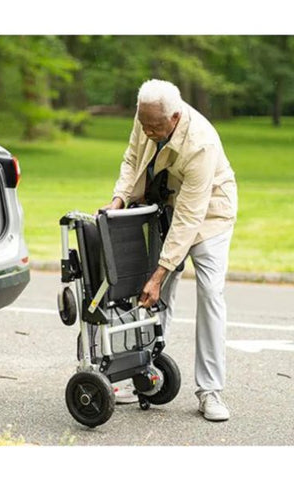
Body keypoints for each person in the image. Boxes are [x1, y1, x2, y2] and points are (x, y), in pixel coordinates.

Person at [103, 79, 238, 421]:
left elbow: (191, 217)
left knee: (209, 292)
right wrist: (119, 198)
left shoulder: (201, 143)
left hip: (210, 213)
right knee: (155, 294)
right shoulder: (147, 115)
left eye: (155, 126)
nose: (147, 130)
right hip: (167, 205)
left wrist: (161, 271)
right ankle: (141, 373)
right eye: (143, 123)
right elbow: (132, 158)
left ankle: (210, 391)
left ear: (175, 118)